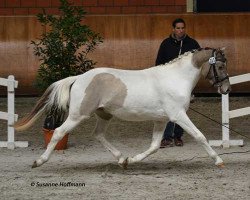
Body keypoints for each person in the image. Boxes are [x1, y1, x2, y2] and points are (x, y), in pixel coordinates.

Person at [155, 18, 200, 148]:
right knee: (169, 110)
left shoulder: (192, 44)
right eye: (178, 28)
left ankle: (178, 136)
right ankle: (167, 137)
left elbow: (197, 67)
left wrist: (193, 89)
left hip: (184, 85)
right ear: (173, 29)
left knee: (182, 111)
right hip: (168, 84)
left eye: (182, 28)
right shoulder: (166, 44)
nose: (180, 30)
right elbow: (159, 63)